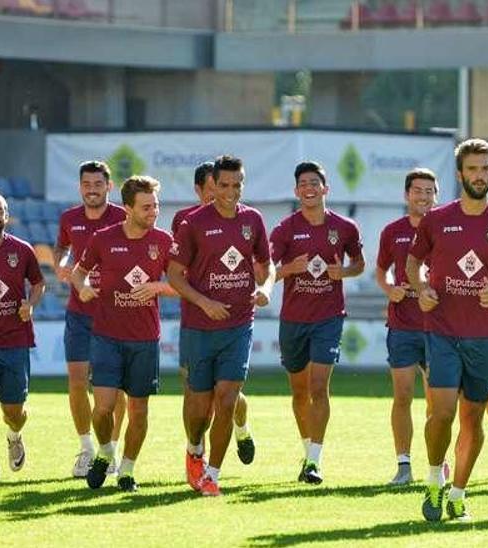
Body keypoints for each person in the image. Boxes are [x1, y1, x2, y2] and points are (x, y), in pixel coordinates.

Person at [407, 139, 488, 522]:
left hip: (486, 336)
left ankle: (458, 493)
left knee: (473, 417)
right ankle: (433, 479)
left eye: (485, 168)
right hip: (442, 330)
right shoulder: (436, 220)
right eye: (472, 169)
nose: (479, 175)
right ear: (459, 174)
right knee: (441, 413)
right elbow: (413, 266)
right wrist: (423, 288)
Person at [167, 155, 274, 496]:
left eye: (237, 185)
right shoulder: (193, 223)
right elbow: (173, 274)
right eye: (224, 185)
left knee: (226, 398)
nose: (230, 192)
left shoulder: (253, 220)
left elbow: (267, 266)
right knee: (199, 407)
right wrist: (204, 302)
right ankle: (194, 448)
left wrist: (265, 288)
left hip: (240, 324)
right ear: (213, 185)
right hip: (199, 326)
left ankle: (212, 474)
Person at [72, 175, 176, 492]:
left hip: (145, 339)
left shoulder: (164, 240)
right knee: (102, 407)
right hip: (106, 336)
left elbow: (183, 284)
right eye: (146, 207)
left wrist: (159, 286)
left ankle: (128, 470)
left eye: (155, 206)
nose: (153, 212)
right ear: (128, 207)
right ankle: (105, 453)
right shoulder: (103, 238)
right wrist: (84, 288)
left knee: (138, 409)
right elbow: (78, 272)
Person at [269, 161, 364, 485]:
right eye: (303, 184)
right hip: (293, 320)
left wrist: (345, 272)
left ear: (326, 188)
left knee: (319, 387)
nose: (309, 188)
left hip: (329, 318)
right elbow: (265, 273)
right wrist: (289, 269)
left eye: (315, 183)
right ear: (297, 192)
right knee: (299, 392)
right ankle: (307, 448)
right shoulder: (284, 229)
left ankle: (314, 461)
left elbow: (358, 263)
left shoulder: (345, 227)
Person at [55, 161, 128, 477]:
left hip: (116, 314)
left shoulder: (123, 218)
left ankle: (109, 450)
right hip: (79, 314)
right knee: (76, 382)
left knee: (117, 389)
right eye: (87, 184)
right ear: (80, 186)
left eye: (98, 184)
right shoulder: (70, 218)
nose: (92, 189)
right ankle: (86, 450)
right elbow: (61, 248)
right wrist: (61, 264)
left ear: (109, 187)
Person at [0, 189, 45, 482]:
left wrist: (31, 303)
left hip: (15, 341)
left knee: (14, 411)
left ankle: (14, 435)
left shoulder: (22, 250)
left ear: (6, 215)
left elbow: (39, 283)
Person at [376, 168, 438, 486]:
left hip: (436, 327)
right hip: (401, 326)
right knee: (402, 397)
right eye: (417, 191)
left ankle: (436, 466)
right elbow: (381, 271)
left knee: (436, 401)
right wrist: (390, 290)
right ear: (406, 195)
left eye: (429, 191)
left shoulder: (446, 229)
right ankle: (403, 466)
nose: (423, 196)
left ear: (436, 196)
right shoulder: (392, 231)